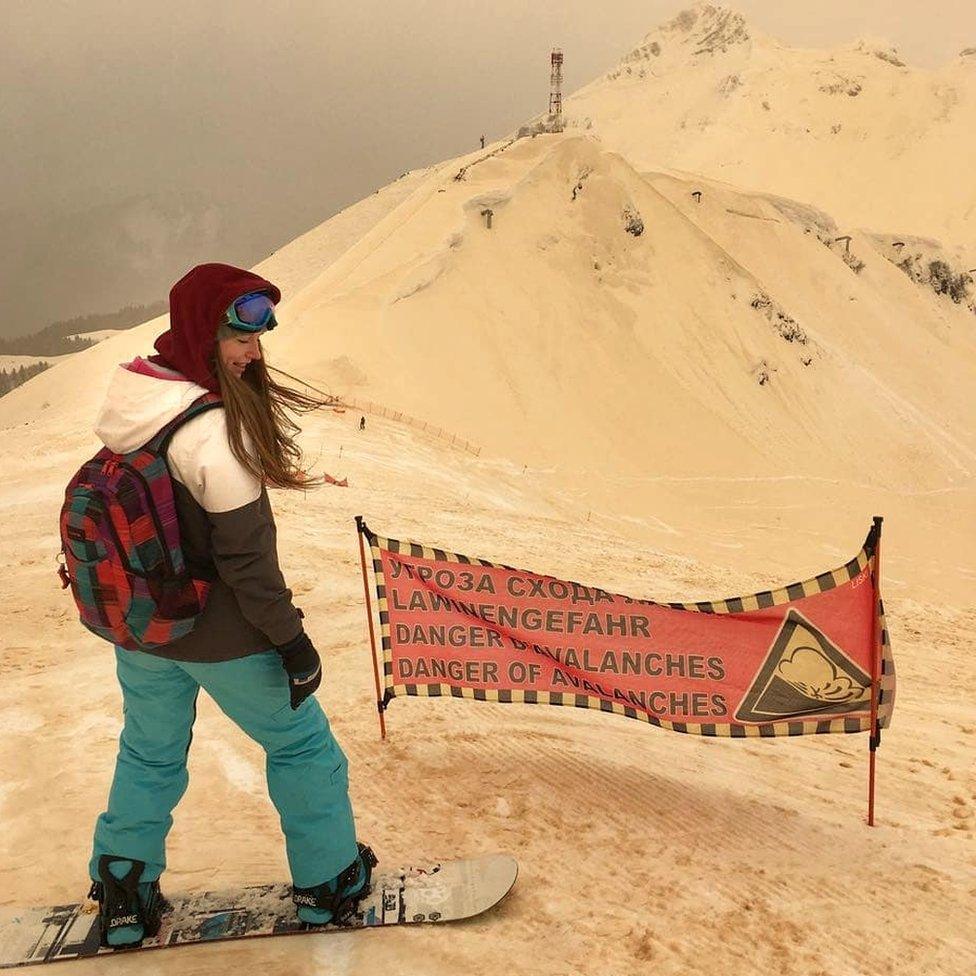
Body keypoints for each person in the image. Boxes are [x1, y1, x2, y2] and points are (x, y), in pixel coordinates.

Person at [86, 262, 374, 947]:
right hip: (220, 635)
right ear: (199, 329)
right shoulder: (211, 430)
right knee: (302, 745)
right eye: (237, 333)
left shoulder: (138, 399)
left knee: (149, 754)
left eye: (260, 333)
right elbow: (248, 562)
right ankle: (328, 883)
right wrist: (293, 643)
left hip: (143, 628)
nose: (253, 350)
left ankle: (125, 893)